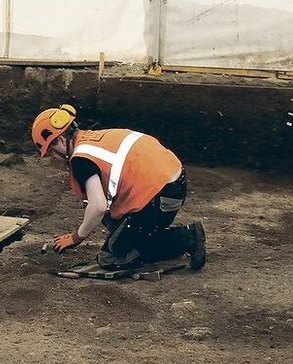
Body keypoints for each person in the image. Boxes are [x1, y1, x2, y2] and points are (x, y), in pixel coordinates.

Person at [31, 104, 206, 272]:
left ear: (60, 140)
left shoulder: (80, 159)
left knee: (111, 256)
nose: (53, 158)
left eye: (51, 152)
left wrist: (77, 237)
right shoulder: (91, 139)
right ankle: (154, 237)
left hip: (161, 196)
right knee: (114, 224)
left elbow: (98, 206)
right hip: (172, 184)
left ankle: (187, 238)